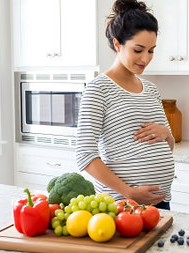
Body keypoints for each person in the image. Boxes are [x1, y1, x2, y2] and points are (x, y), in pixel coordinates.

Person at [75, 0, 175, 210]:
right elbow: (85, 155)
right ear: (118, 44)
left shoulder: (151, 89)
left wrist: (166, 133)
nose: (145, 58)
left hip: (160, 203)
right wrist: (130, 193)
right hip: (123, 205)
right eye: (138, 50)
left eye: (151, 50)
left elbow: (169, 146)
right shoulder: (98, 88)